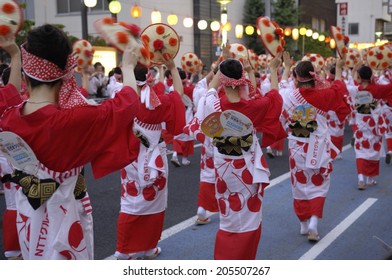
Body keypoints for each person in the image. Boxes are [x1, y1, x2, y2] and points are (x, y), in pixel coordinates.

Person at [0, 24, 141, 260]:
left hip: (28, 215)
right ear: (65, 73)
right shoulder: (73, 120)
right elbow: (127, 103)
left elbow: (10, 94)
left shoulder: (9, 117)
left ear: (26, 74)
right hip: (66, 216)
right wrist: (127, 66)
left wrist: (15, 54)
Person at [203, 47, 286, 260]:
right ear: (241, 79)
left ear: (221, 79)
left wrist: (219, 76)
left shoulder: (211, 103)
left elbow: (210, 91)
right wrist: (273, 70)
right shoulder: (253, 106)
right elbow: (274, 97)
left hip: (223, 166)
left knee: (228, 215)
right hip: (246, 166)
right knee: (249, 216)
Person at [114, 57, 186, 260]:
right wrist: (171, 67)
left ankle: (125, 250)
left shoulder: (120, 100)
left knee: (130, 202)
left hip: (131, 155)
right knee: (154, 201)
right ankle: (149, 247)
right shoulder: (157, 102)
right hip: (155, 156)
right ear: (148, 79)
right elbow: (178, 95)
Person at [279, 55, 350, 242]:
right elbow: (338, 88)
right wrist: (339, 69)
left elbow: (278, 93)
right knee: (319, 183)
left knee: (299, 183)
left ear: (296, 77)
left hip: (297, 146)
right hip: (318, 145)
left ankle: (303, 224)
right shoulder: (324, 94)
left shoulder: (287, 95)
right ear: (314, 76)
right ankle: (313, 224)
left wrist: (284, 68)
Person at [351, 64, 392, 189]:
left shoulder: (354, 89)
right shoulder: (377, 89)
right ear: (371, 76)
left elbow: (346, 88)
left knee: (360, 150)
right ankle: (370, 178)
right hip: (373, 123)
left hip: (360, 123)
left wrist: (354, 71)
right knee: (374, 150)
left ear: (359, 76)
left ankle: (361, 178)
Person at [171, 69, 195, 166]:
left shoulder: (173, 89)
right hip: (188, 116)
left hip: (178, 115)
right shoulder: (190, 89)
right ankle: (184, 159)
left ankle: (175, 154)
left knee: (177, 136)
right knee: (188, 137)